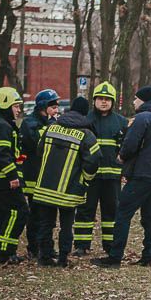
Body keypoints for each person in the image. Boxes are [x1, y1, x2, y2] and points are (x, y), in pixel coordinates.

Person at [93, 86, 151, 268]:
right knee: (149, 215)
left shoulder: (141, 118)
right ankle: (148, 254)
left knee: (122, 213)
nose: (133, 102)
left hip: (142, 175)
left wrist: (121, 157)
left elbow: (130, 144)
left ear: (143, 100)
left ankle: (114, 257)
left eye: (136, 99)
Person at [30, 96, 101, 267]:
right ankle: (63, 258)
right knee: (66, 226)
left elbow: (39, 150)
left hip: (45, 187)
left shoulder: (51, 127)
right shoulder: (86, 134)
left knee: (46, 223)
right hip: (68, 190)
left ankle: (44, 257)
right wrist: (85, 179)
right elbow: (95, 160)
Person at [74, 81, 127, 256]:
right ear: (94, 100)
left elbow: (126, 150)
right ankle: (82, 244)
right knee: (84, 211)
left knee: (111, 212)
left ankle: (110, 245)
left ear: (112, 102)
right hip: (89, 176)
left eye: (107, 99)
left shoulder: (121, 122)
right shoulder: (85, 121)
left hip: (112, 177)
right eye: (100, 99)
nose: (103, 102)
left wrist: (125, 172)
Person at [0, 86, 29, 264]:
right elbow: (2, 153)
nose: (18, 110)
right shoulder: (1, 126)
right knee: (20, 211)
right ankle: (6, 251)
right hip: (3, 180)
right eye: (16, 106)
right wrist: (12, 176)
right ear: (6, 105)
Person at [19, 88, 59, 259]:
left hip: (48, 177)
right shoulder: (29, 123)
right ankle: (34, 248)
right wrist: (51, 125)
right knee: (35, 215)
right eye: (53, 105)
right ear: (43, 106)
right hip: (33, 177)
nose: (56, 109)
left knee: (49, 216)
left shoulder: (51, 123)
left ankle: (46, 247)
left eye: (57, 105)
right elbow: (38, 142)